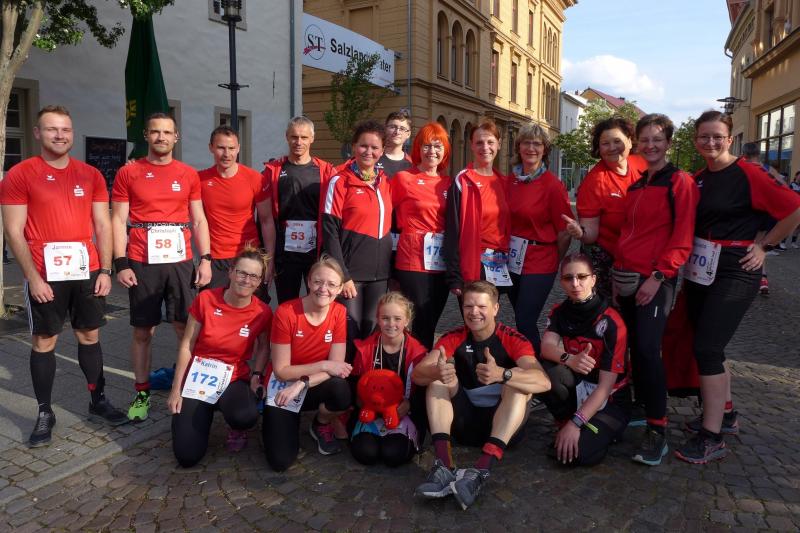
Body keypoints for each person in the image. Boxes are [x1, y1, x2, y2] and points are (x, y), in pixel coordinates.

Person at [674, 111, 800, 464]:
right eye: (704, 136)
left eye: (717, 136)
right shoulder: (699, 178)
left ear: (729, 139)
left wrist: (765, 246)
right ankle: (726, 414)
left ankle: (712, 436)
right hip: (701, 268)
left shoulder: (749, 173)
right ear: (696, 140)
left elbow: (794, 208)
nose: (710, 142)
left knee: (708, 348)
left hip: (735, 268)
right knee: (711, 347)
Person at [1, 105, 127, 447]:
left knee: (89, 336)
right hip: (45, 272)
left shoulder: (90, 175)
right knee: (45, 341)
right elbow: (13, 231)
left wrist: (105, 270)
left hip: (86, 270)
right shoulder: (20, 174)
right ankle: (45, 412)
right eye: (52, 129)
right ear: (38, 133)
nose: (60, 135)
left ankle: (97, 399)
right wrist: (33, 278)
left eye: (66, 129)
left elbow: (102, 225)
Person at [411, 281, 551, 510]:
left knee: (518, 382)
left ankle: (482, 469)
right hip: (464, 425)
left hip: (503, 429)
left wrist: (502, 374)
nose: (474, 312)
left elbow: (544, 382)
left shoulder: (513, 339)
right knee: (436, 380)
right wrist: (437, 371)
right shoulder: (454, 337)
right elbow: (418, 375)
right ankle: (443, 465)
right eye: (468, 306)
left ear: (495, 308)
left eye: (481, 306)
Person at [111, 112, 212, 422]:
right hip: (143, 261)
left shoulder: (188, 174)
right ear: (146, 135)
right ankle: (142, 392)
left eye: (167, 132)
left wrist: (206, 258)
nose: (161, 137)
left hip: (180, 262)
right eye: (155, 132)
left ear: (176, 137)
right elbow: (118, 219)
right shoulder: (129, 172)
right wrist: (120, 263)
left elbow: (198, 219)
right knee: (144, 330)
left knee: (185, 327)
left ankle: (185, 386)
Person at [612, 113, 698, 466]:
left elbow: (683, 236)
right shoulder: (637, 185)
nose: (650, 145)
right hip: (626, 277)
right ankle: (642, 407)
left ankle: (658, 430)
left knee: (649, 350)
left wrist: (659, 276)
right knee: (634, 347)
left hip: (655, 279)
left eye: (657, 139)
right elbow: (627, 234)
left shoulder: (680, 181)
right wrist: (618, 275)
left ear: (668, 143)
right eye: (645, 139)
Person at [167, 247, 272, 466]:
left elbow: (264, 346)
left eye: (254, 276)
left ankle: (236, 427)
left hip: (233, 378)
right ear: (231, 272)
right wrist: (176, 389)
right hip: (198, 378)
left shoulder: (262, 312)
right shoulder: (206, 299)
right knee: (187, 456)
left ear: (259, 281)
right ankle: (199, 413)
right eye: (242, 273)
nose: (246, 280)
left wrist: (257, 375)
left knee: (246, 416)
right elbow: (187, 344)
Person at [261, 255, 352, 471]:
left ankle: (320, 423)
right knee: (280, 461)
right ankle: (277, 422)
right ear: (309, 282)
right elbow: (281, 371)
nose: (324, 289)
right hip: (282, 386)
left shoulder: (339, 312)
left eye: (331, 284)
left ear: (340, 289)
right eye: (318, 282)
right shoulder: (286, 312)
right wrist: (324, 365)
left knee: (341, 390)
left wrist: (303, 382)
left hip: (309, 385)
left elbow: (337, 366)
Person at [539, 253, 631, 466]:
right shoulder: (559, 311)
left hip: (610, 399)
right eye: (568, 278)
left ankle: (591, 430)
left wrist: (576, 423)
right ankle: (564, 423)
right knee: (545, 369)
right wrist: (569, 359)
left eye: (581, 276)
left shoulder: (612, 321)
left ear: (593, 279)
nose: (575, 283)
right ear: (561, 281)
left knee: (576, 456)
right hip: (580, 387)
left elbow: (605, 388)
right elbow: (546, 348)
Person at [321, 120, 393, 340]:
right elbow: (330, 231)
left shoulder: (384, 182)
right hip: (351, 274)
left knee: (371, 332)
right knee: (349, 333)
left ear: (382, 151)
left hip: (379, 275)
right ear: (353, 147)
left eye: (374, 147)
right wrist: (343, 275)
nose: (368, 152)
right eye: (363, 145)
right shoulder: (340, 181)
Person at [563, 117, 648, 298]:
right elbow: (591, 234)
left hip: (641, 252)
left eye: (617, 141)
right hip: (608, 256)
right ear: (599, 148)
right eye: (605, 143)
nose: (612, 147)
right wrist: (580, 232)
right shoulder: (594, 182)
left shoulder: (642, 164)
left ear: (629, 141)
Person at [506, 123, 572, 354]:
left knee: (525, 320)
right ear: (518, 147)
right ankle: (525, 359)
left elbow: (565, 231)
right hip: (512, 260)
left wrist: (554, 259)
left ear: (545, 150)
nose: (531, 148)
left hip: (540, 260)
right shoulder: (511, 180)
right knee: (520, 317)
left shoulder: (552, 185)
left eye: (537, 144)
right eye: (526, 142)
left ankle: (537, 366)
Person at [391, 122, 452, 349]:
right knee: (420, 321)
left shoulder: (449, 183)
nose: (432, 151)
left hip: (440, 261)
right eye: (426, 146)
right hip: (412, 260)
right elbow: (387, 218)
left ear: (445, 150)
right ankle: (416, 364)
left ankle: (419, 360)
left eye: (437, 146)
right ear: (418, 148)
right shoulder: (403, 178)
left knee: (432, 319)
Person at [349, 292, 429, 466]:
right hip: (370, 412)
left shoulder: (418, 353)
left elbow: (424, 390)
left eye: (397, 319)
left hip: (402, 413)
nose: (391, 324)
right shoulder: (365, 349)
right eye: (385, 318)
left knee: (393, 455)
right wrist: (361, 401)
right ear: (378, 319)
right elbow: (355, 383)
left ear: (407, 321)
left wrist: (409, 404)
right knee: (366, 453)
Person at [261, 117, 335, 303]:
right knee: (287, 302)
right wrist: (269, 256)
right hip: (285, 252)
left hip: (316, 250)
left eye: (304, 137)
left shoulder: (326, 171)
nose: (298, 142)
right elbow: (264, 216)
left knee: (319, 301)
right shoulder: (273, 171)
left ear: (312, 139)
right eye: (294, 137)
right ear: (287, 137)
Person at [199, 126, 273, 292]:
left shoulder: (255, 179)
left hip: (249, 256)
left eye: (231, 148)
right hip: (215, 258)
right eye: (221, 148)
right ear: (211, 147)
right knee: (214, 306)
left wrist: (270, 260)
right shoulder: (200, 180)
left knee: (251, 307)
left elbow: (267, 221)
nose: (227, 154)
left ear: (238, 148)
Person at [444, 120, 511, 296]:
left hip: (498, 263)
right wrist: (454, 276)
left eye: (490, 142)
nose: (485, 147)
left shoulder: (503, 182)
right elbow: (452, 230)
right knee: (475, 312)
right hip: (473, 263)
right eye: (479, 142)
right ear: (472, 145)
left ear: (499, 144)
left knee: (491, 311)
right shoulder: (462, 181)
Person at [377, 110, 413, 179]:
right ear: (385, 129)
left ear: (408, 134)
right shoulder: (374, 157)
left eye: (402, 129)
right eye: (393, 127)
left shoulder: (412, 164)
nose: (397, 132)